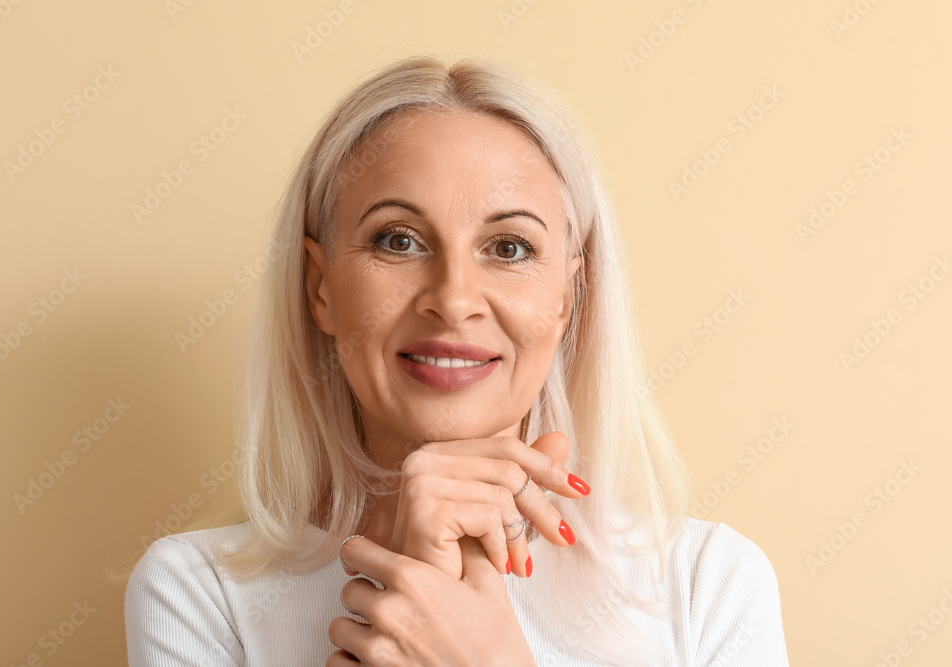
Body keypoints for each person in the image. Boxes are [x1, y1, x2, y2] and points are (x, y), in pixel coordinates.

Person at [124, 54, 790, 666]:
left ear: (570, 295)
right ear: (319, 288)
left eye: (508, 248)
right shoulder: (200, 592)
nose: (454, 300)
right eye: (399, 239)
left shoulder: (710, 582)